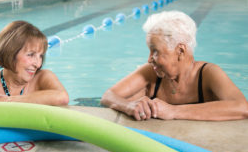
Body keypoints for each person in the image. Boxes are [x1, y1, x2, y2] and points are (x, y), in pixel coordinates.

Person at [101, 11, 248, 121]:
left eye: (155, 51)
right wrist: (128, 106)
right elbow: (109, 96)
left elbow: (242, 107)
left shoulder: (208, 74)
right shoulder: (151, 72)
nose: (149, 59)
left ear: (180, 51)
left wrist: (174, 111)